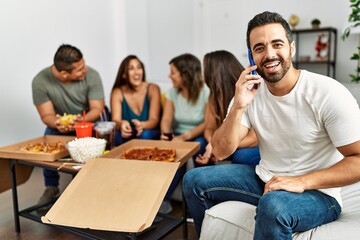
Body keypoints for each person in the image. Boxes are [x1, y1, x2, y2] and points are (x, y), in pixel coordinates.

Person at [182, 11, 360, 239]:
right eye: (259, 48)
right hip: (266, 178)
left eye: (277, 44)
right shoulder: (249, 93)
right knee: (194, 180)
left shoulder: (327, 92)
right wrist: (238, 106)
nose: (269, 54)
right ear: (251, 56)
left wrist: (301, 181)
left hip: (319, 193)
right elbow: (220, 150)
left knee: (273, 205)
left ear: (291, 48)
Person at [32, 44, 105, 205]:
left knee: (100, 139)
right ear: (64, 74)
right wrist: (57, 123)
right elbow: (46, 115)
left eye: (83, 65)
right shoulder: (40, 81)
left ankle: (95, 185)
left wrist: (82, 121)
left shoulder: (92, 75)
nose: (84, 70)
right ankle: (51, 186)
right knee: (48, 138)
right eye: (80, 69)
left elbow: (97, 109)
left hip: (89, 119)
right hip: (62, 123)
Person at [159, 53, 209, 214]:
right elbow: (166, 118)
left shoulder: (205, 91)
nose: (169, 76)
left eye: (173, 72)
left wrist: (185, 138)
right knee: (175, 153)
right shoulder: (173, 92)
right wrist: (165, 133)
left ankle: (205, 197)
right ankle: (162, 200)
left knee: (199, 145)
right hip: (179, 134)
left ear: (185, 73)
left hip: (198, 134)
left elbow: (208, 123)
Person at [195, 50, 260, 166]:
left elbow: (253, 139)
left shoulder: (250, 90)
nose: (202, 75)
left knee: (241, 155)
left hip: (246, 143)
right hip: (225, 140)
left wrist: (219, 145)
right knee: (199, 146)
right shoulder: (214, 95)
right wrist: (212, 144)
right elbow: (208, 128)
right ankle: (210, 179)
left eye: (204, 69)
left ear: (214, 73)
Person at [111, 55, 161, 146]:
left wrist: (141, 125)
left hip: (148, 131)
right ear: (124, 74)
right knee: (117, 135)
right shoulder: (117, 92)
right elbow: (115, 120)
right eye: (131, 69)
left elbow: (154, 120)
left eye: (139, 67)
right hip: (128, 133)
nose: (136, 72)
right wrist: (121, 123)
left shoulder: (153, 88)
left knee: (144, 135)